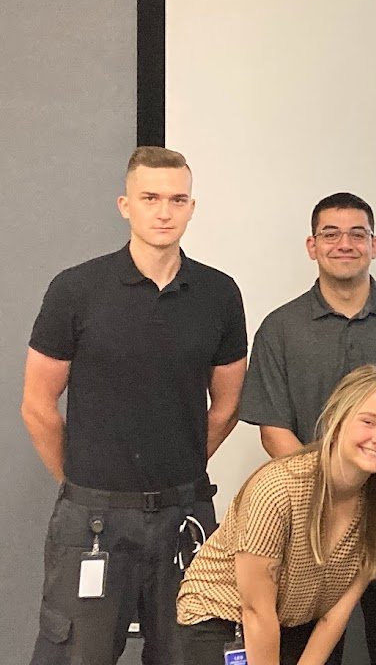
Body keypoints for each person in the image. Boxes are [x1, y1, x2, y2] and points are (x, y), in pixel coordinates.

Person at [21, 146, 248, 665]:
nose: (164, 211)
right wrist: (81, 483)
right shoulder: (76, 288)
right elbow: (37, 404)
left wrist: (179, 465)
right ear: (126, 205)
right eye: (150, 198)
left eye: (177, 199)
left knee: (194, 656)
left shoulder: (218, 293)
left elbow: (228, 404)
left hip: (185, 517)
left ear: (192, 207)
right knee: (77, 655)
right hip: (94, 521)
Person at [239, 191, 376, 664]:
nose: (345, 244)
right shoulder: (280, 328)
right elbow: (273, 429)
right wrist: (327, 490)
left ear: (375, 245)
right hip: (310, 524)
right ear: (311, 245)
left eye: (357, 234)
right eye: (330, 234)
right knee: (311, 647)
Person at [177, 365, 376, 665]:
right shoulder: (278, 489)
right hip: (223, 620)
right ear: (336, 421)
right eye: (368, 421)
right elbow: (256, 612)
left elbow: (336, 615)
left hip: (298, 622)